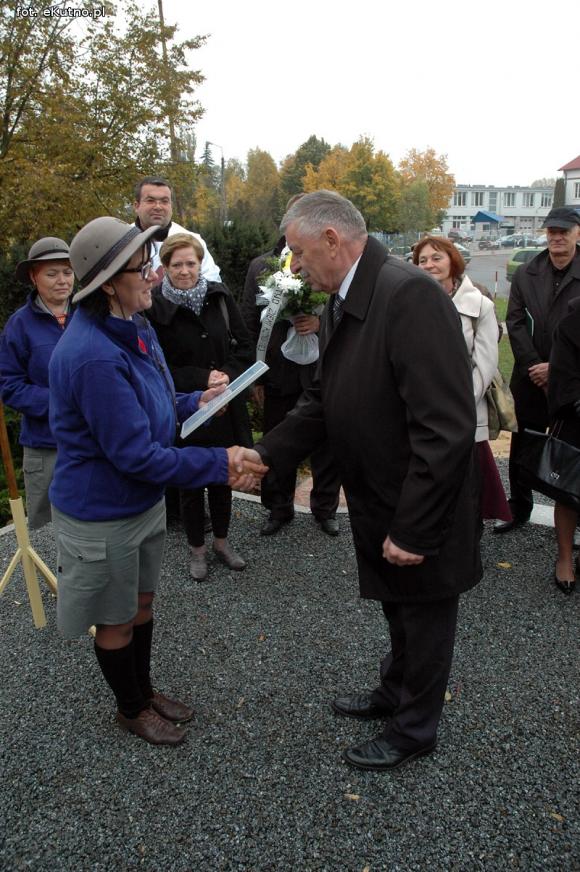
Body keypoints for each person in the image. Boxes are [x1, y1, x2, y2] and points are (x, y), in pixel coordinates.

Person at [235, 191, 482, 772]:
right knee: (398, 607)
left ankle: (415, 728)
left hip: (419, 502)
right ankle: (394, 693)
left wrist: (416, 530)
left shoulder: (409, 296)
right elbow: (324, 397)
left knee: (424, 616)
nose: (293, 267)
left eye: (297, 253)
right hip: (379, 494)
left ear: (330, 240)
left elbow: (446, 429)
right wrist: (267, 454)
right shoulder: (347, 297)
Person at [49, 217, 265, 746]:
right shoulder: (93, 355)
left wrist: (196, 401)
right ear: (107, 283)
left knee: (140, 605)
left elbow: (153, 405)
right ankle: (130, 709)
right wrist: (222, 462)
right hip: (103, 512)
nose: (153, 275)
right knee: (117, 620)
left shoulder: (135, 325)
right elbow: (136, 456)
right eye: (141, 267)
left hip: (138, 504)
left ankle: (143, 691)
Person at [147, 233, 253, 581]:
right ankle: (196, 550)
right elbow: (156, 367)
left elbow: (244, 346)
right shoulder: (154, 309)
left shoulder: (219, 297)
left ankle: (222, 543)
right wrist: (201, 377)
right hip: (186, 407)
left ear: (200, 263)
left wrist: (227, 376)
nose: (184, 270)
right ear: (164, 268)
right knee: (190, 483)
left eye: (190, 263)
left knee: (224, 476)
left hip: (226, 404)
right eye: (176, 264)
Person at [241, 228, 342, 537]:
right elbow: (248, 317)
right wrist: (253, 374)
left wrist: (319, 322)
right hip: (277, 370)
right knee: (277, 437)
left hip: (320, 367)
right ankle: (278, 506)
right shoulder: (263, 266)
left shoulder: (329, 263)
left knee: (326, 442)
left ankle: (325, 508)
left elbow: (343, 309)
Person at [413, 235, 511, 524]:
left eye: (436, 257)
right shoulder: (412, 302)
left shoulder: (481, 305)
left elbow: (486, 363)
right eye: (422, 260)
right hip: (422, 408)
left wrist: (458, 405)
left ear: (452, 261)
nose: (429, 264)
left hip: (465, 409)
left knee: (468, 487)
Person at [494, 206, 580, 534]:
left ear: (577, 233)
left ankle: (573, 508)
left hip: (572, 380)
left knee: (573, 448)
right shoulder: (529, 272)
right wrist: (534, 365)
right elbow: (514, 321)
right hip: (530, 377)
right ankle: (519, 507)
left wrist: (555, 367)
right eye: (552, 231)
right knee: (523, 442)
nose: (557, 237)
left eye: (564, 231)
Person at [0, 238, 74, 529]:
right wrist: (60, 403)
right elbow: (9, 386)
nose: (62, 280)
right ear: (34, 277)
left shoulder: (91, 315)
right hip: (45, 445)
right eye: (51, 273)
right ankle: (47, 576)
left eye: (67, 272)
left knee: (93, 522)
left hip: (93, 440)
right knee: (45, 527)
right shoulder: (19, 325)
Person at [546, 297, 580, 595]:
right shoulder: (573, 318)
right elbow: (562, 372)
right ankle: (565, 558)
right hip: (577, 417)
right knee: (570, 492)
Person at [133, 176, 221, 280]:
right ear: (136, 206)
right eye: (150, 200)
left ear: (171, 206)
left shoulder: (192, 241)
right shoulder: (122, 241)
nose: (158, 207)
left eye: (164, 201)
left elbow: (212, 282)